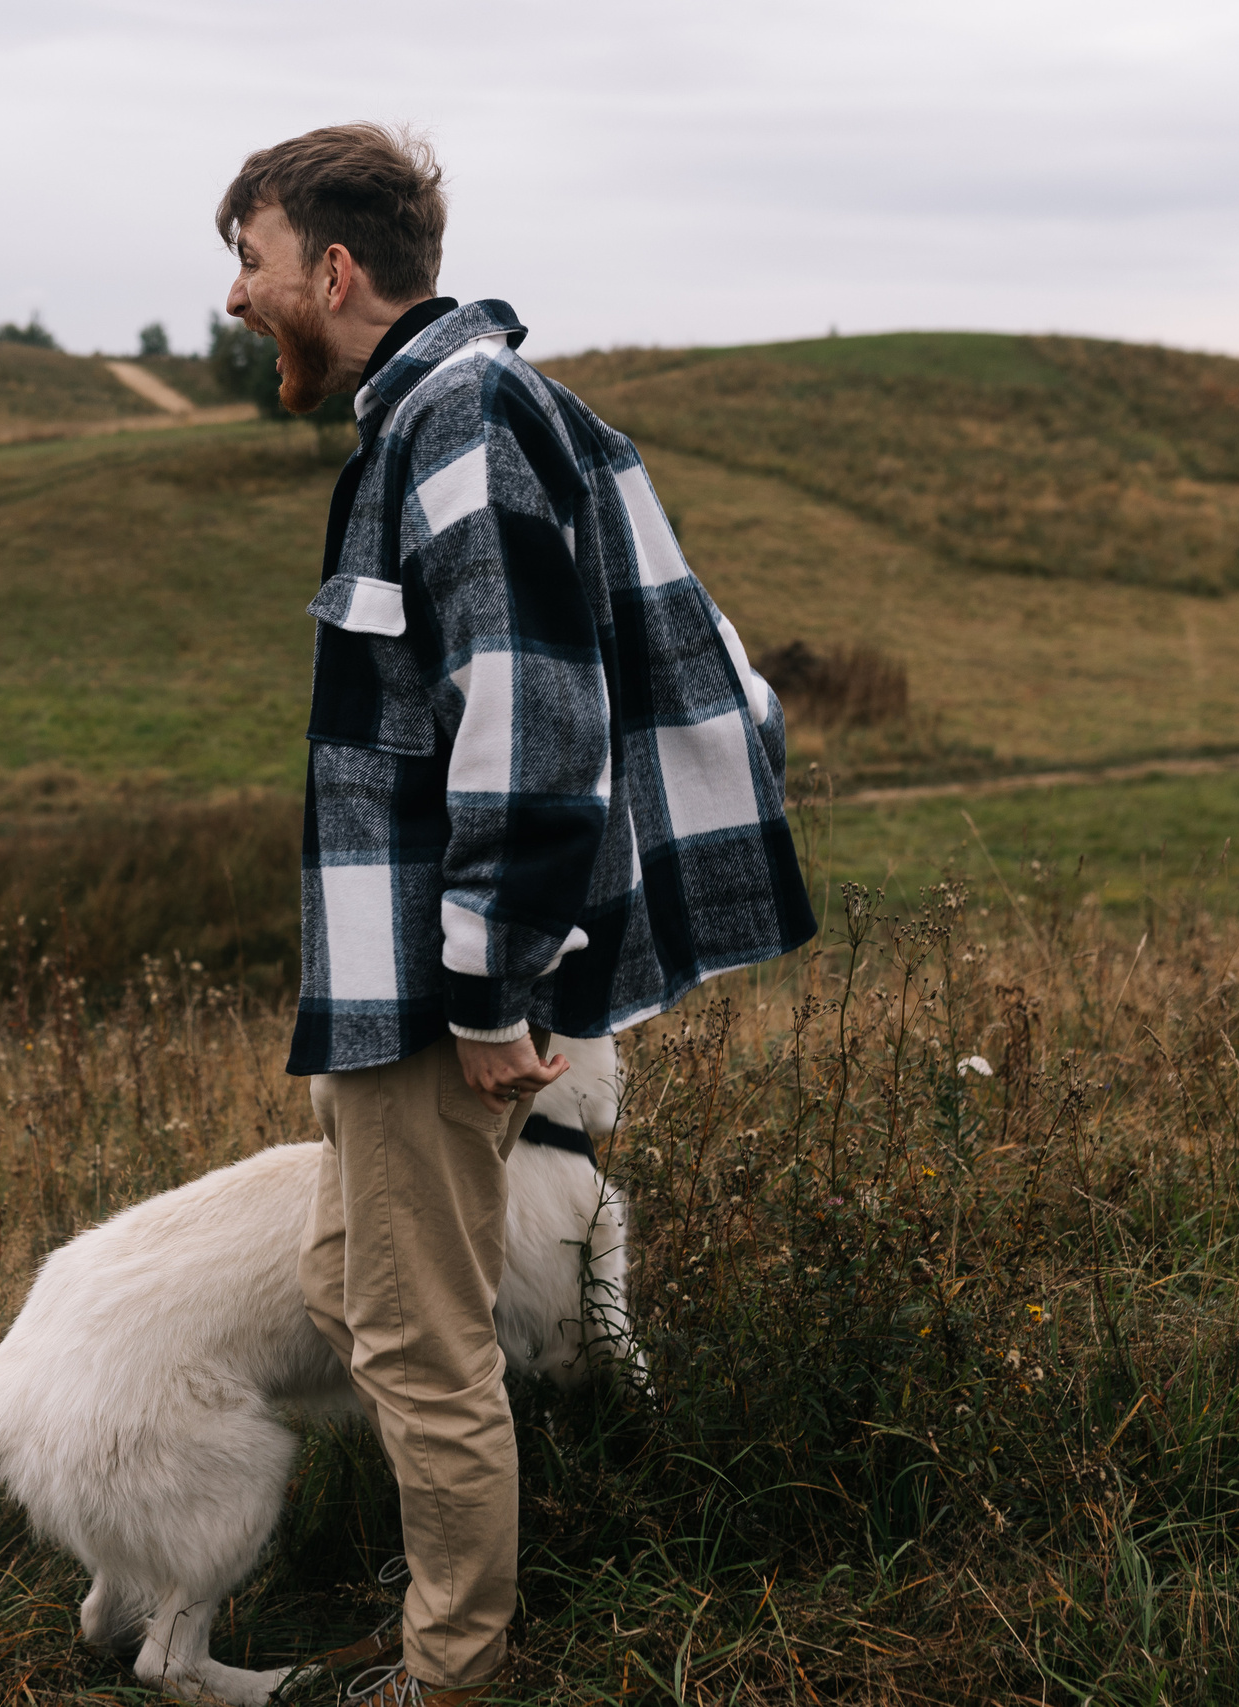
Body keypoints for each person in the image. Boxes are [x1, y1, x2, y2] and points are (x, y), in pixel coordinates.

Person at [219, 124, 817, 1704]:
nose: (234, 296)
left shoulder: (462, 424)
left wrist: (491, 994)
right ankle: (442, 1599)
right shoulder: (440, 418)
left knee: (420, 1346)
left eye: (250, 261)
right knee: (353, 1294)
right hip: (401, 985)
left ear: (329, 271)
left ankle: (450, 1672)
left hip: (438, 990)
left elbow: (532, 728)